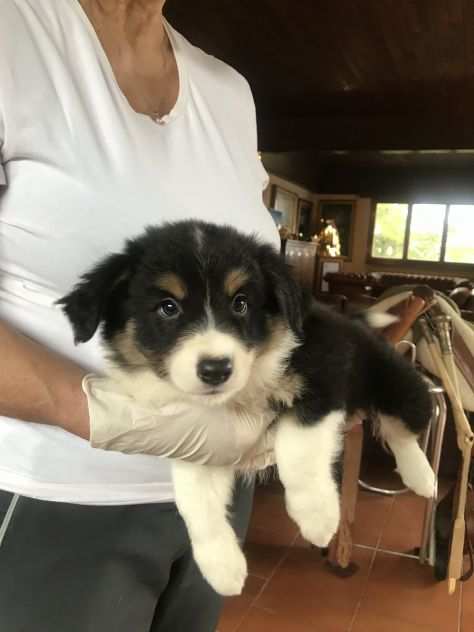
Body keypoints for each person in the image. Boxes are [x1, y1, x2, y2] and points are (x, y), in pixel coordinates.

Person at [0, 1, 279, 630]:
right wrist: (113, 414)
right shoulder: (13, 35)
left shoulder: (228, 92)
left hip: (215, 502)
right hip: (55, 503)